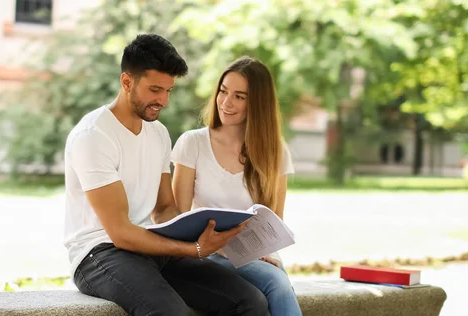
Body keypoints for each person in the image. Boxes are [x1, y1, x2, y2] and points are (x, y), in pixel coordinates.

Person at [63, 35, 269, 316]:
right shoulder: (94, 137)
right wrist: (195, 249)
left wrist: (208, 229)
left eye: (168, 91)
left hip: (148, 246)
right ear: (127, 82)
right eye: (155, 89)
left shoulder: (157, 133)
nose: (163, 100)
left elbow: (164, 209)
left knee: (251, 300)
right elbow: (121, 233)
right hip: (98, 254)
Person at [171, 56, 303, 316]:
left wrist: (267, 252)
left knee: (274, 282)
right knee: (276, 283)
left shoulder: (276, 151)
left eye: (239, 97)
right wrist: (215, 245)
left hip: (255, 255)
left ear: (257, 104)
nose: (226, 103)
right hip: (207, 253)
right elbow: (176, 216)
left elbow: (274, 218)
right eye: (223, 91)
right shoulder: (193, 143)